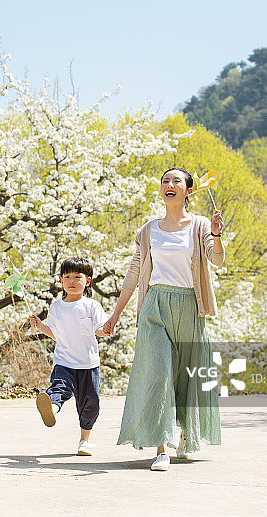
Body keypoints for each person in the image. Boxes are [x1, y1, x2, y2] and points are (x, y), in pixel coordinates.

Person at [102, 167, 224, 471]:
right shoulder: (148, 230)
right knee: (157, 373)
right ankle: (160, 448)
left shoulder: (199, 225)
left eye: (176, 182)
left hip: (189, 307)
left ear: (188, 191)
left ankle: (183, 432)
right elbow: (134, 273)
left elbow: (217, 259)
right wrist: (114, 316)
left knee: (185, 375)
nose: (169, 185)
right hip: (154, 305)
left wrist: (218, 235)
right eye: (165, 181)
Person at [29, 257, 109, 456]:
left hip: (88, 364)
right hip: (64, 361)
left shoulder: (92, 306)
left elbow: (98, 329)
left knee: (90, 402)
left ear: (87, 281)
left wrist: (105, 330)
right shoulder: (56, 307)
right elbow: (56, 333)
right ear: (61, 281)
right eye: (67, 277)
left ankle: (84, 441)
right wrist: (40, 326)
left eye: (77, 276)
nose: (71, 281)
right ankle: (52, 409)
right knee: (59, 387)